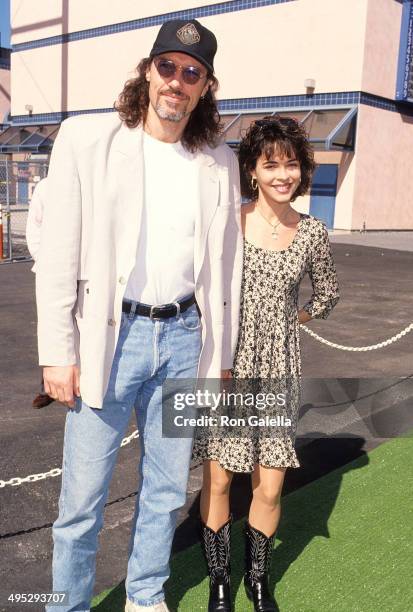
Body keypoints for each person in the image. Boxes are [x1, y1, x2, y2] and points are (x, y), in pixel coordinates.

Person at [35, 19, 242, 612]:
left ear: (205, 86)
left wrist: (218, 359)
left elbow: (225, 268)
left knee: (167, 488)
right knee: (81, 499)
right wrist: (57, 353)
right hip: (111, 337)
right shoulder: (88, 140)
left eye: (192, 73)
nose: (177, 81)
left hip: (183, 337)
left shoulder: (218, 161)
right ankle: (66, 604)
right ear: (148, 72)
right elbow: (59, 253)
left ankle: (145, 595)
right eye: (168, 67)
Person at [193, 116, 340, 612]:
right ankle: (219, 582)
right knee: (217, 479)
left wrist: (292, 317)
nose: (283, 174)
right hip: (229, 365)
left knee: (270, 485)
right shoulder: (229, 222)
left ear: (302, 170)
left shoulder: (313, 232)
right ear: (252, 171)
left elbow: (328, 294)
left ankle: (257, 581)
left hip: (279, 370)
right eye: (270, 164)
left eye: (291, 163)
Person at [25, 177, 55, 408]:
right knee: (52, 328)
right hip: (52, 271)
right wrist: (47, 264)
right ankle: (48, 386)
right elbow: (34, 230)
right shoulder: (46, 187)